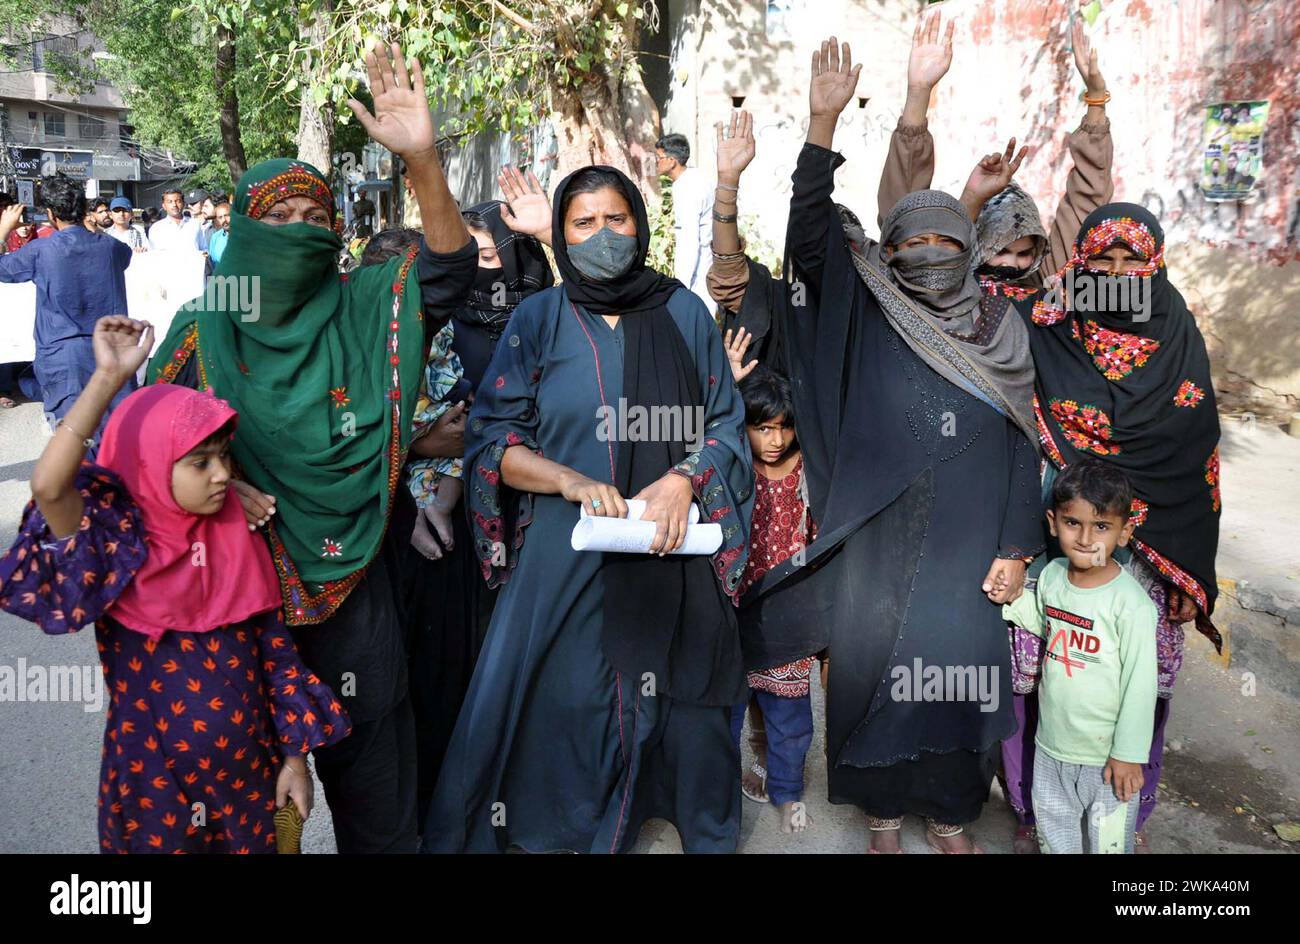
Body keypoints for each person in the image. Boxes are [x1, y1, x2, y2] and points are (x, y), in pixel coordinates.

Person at [147, 41, 476, 854]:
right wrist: (220, 485)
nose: (299, 234)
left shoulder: (367, 304)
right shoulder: (202, 331)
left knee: (380, 811)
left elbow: (447, 271)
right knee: (251, 823)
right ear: (244, 233)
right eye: (277, 219)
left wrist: (425, 162)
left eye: (316, 220)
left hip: (354, 594)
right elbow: (146, 461)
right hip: (234, 605)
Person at [747, 36, 1041, 854]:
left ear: (971, 249)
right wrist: (822, 123)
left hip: (970, 544)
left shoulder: (999, 328)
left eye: (948, 243)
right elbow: (809, 242)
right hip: (875, 529)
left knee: (958, 685)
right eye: (912, 243)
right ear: (892, 252)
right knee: (874, 677)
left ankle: (950, 817)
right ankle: (880, 818)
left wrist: (1018, 544)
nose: (929, 256)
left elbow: (1026, 441)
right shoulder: (870, 304)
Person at [422, 162, 753, 854]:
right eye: (583, 223)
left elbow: (724, 425)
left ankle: (667, 812)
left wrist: (685, 478)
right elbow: (493, 441)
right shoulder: (539, 317)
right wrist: (567, 481)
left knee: (683, 699)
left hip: (668, 541)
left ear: (639, 223)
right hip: (564, 549)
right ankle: (561, 827)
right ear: (561, 238)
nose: (602, 234)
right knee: (562, 701)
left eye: (616, 219)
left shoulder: (683, 311)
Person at [0, 315, 350, 853]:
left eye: (224, 458)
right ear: (148, 464)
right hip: (152, 793)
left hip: (251, 789)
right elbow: (49, 488)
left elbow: (276, 659)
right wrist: (107, 380)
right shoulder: (116, 547)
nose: (220, 474)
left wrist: (294, 761)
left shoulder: (238, 534)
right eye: (199, 462)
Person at [1004, 202, 1222, 853]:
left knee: (1139, 681)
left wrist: (1191, 567)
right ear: (1084, 261)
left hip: (1149, 552)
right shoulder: (1051, 325)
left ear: (1153, 263)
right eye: (1105, 258)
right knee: (1043, 676)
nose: (1119, 272)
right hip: (1058, 534)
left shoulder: (1176, 328)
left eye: (1133, 259)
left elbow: (1197, 458)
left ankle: (1127, 810)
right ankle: (1034, 809)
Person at [879, 12, 1113, 295]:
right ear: (974, 242)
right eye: (999, 250)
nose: (1012, 265)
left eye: (1024, 253)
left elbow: (1085, 201)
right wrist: (918, 93)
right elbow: (903, 216)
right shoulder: (940, 291)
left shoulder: (1043, 288)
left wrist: (1096, 101)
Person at [1002, 458, 1157, 854]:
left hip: (1106, 757)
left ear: (1125, 532)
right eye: (1074, 523)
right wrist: (1008, 602)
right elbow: (1043, 620)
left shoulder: (1131, 605)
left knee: (1108, 845)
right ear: (1054, 523)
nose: (1086, 538)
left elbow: (1141, 686)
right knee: (1056, 837)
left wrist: (1127, 755)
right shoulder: (1053, 574)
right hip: (1052, 745)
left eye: (1102, 526)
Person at [729, 364, 819, 836]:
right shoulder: (733, 464)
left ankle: (787, 792)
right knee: (726, 710)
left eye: (784, 427)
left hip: (790, 614)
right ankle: (719, 793)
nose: (776, 439)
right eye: (763, 427)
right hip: (734, 609)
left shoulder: (809, 469)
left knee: (791, 719)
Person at [0, 176, 134, 437]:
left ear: (50, 214)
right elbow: (124, 257)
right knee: (116, 441)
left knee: (74, 446)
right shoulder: (112, 247)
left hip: (63, 362)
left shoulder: (41, 250)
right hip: (111, 354)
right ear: (84, 209)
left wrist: (4, 227)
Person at [656, 132, 716, 316]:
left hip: (698, 267)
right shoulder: (695, 179)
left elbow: (690, 239)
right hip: (706, 261)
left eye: (659, 158)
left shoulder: (686, 187)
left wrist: (680, 285)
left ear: (672, 160)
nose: (656, 162)